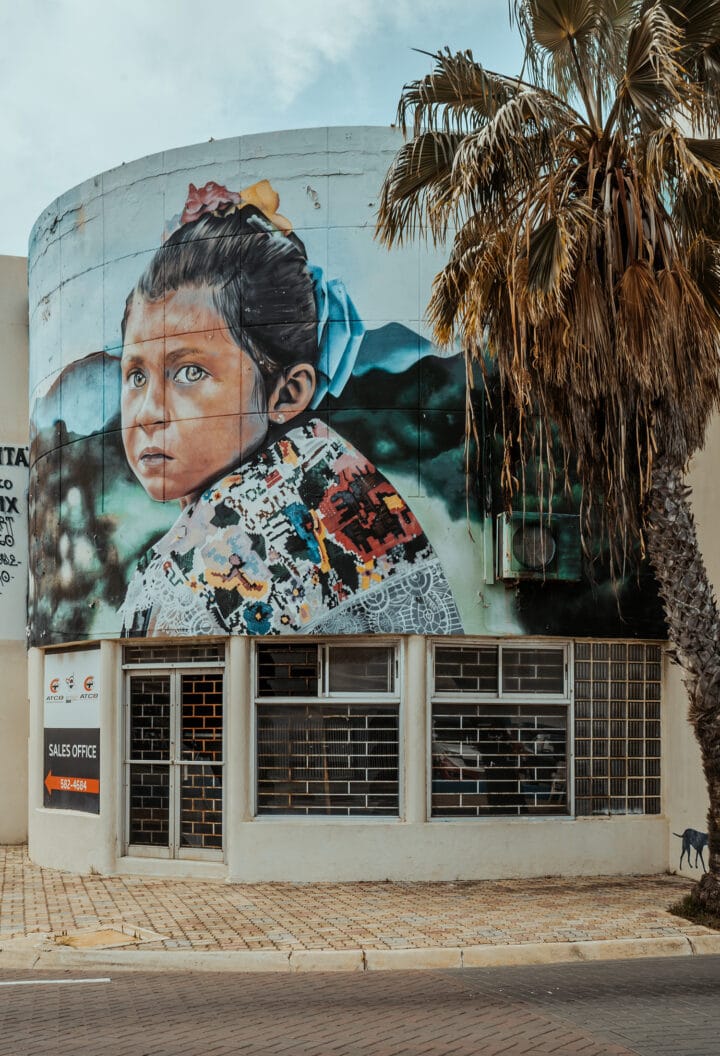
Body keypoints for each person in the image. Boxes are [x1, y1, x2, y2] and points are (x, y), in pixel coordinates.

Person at [119, 180, 462, 637]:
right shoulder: (335, 467)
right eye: (136, 375)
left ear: (286, 393)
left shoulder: (188, 577)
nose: (147, 413)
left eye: (190, 373)